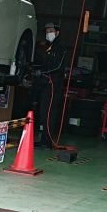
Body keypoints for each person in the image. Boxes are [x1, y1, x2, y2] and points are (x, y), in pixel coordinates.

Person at [31, 22, 67, 150]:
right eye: (46, 32)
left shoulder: (60, 47)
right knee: (43, 113)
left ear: (57, 32)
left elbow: (58, 66)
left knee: (49, 113)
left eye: (51, 31)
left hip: (53, 85)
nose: (48, 34)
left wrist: (43, 72)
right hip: (46, 84)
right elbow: (45, 64)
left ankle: (47, 142)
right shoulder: (50, 47)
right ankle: (44, 140)